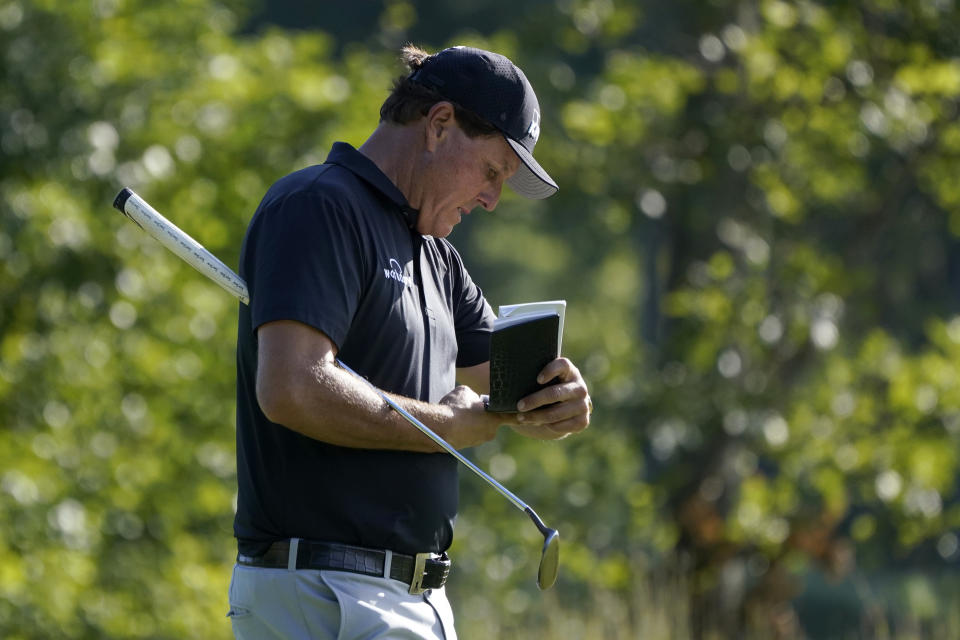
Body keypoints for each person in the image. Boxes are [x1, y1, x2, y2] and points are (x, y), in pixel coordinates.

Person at [227, 44, 592, 640]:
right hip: (327, 593)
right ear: (440, 124)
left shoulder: (437, 257)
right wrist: (445, 430)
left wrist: (559, 399)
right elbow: (292, 388)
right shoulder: (318, 206)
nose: (493, 199)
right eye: (492, 171)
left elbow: (509, 382)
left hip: (405, 598)